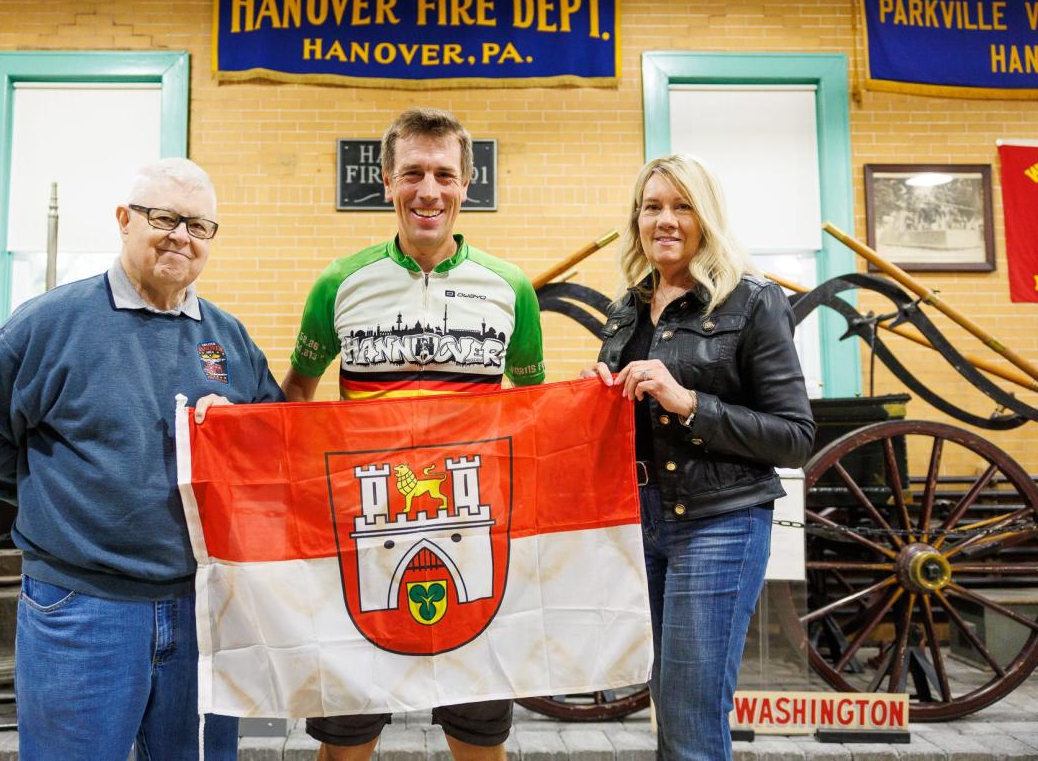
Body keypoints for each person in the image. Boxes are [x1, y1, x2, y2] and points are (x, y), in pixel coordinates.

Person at [0, 159, 283, 761]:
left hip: (203, 612)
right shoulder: (49, 323)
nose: (181, 235)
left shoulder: (229, 340)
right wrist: (49, 493)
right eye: (164, 218)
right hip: (82, 608)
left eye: (199, 226)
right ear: (125, 221)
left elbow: (272, 450)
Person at [282, 107, 545, 760]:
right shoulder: (338, 283)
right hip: (362, 536)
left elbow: (537, 409)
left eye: (444, 175)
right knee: (348, 737)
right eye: (413, 174)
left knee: (478, 733)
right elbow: (295, 396)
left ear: (466, 184)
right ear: (386, 181)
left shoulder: (512, 287)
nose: (429, 190)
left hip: (476, 532)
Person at [584, 153, 814, 760]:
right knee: (668, 697)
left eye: (682, 206)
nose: (666, 220)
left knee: (690, 712)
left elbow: (794, 435)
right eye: (652, 206)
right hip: (642, 521)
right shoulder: (628, 305)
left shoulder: (754, 300)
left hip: (720, 521)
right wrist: (598, 397)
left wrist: (689, 402)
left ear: (706, 216)